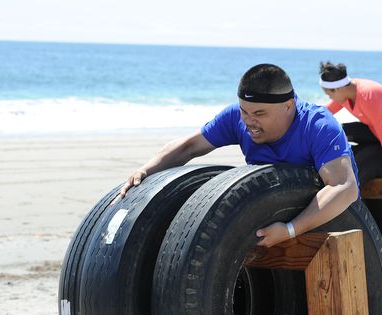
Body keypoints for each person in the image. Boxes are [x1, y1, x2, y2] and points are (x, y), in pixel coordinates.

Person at [120, 64, 358, 248]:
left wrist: (290, 230)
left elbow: (344, 188)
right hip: (275, 211)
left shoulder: (318, 126)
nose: (248, 121)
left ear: (289, 105)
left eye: (259, 113)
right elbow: (189, 146)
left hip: (333, 213)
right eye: (244, 111)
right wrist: (147, 170)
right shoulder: (237, 117)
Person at [319, 62, 382, 184]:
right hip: (374, 131)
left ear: (338, 89)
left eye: (329, 95)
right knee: (340, 130)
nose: (330, 98)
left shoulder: (369, 97)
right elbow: (326, 112)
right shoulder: (345, 93)